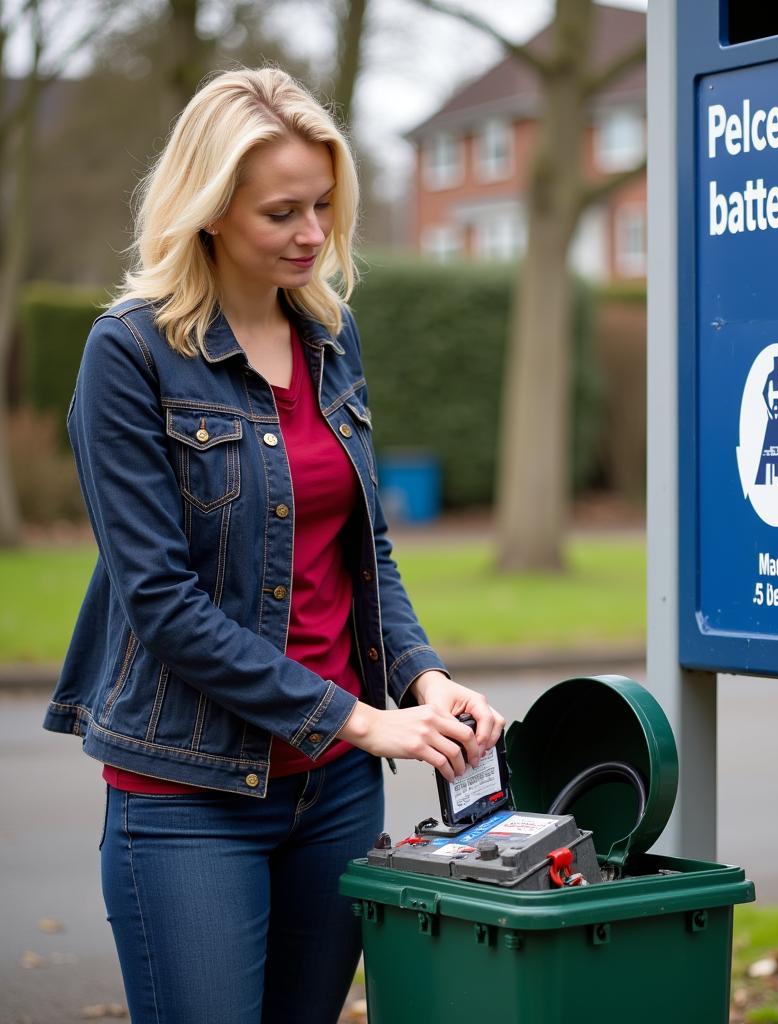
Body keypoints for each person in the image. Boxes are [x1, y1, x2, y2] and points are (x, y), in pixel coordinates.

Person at [43, 66, 505, 1024]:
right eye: (281, 212)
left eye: (324, 207)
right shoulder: (129, 355)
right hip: (187, 796)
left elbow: (364, 549)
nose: (311, 235)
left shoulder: (330, 337)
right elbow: (163, 606)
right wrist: (361, 719)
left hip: (333, 796)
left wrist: (422, 679)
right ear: (209, 212)